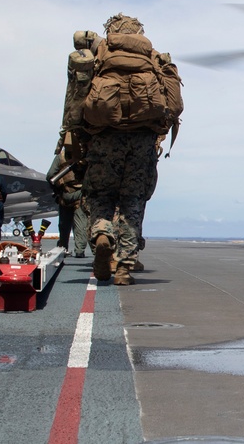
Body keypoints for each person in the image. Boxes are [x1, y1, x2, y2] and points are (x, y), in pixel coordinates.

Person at [82, 14, 166, 285]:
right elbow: (171, 106)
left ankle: (102, 234)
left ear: (112, 30)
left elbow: (77, 99)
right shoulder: (153, 58)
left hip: (105, 139)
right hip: (142, 143)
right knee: (132, 204)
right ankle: (123, 269)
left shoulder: (101, 54)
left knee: (101, 198)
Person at [48, 136, 89, 258]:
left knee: (64, 225)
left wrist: (58, 189)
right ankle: (79, 250)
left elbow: (50, 176)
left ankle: (63, 248)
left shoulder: (60, 157)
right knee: (81, 224)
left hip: (65, 194)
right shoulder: (86, 157)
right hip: (79, 194)